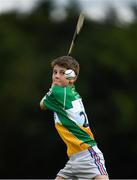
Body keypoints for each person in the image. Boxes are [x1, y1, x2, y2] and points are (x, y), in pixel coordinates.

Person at [40, 56, 109, 179]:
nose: (56, 76)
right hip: (74, 158)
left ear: (72, 77)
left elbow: (42, 104)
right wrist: (62, 79)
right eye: (55, 72)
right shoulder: (71, 90)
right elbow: (65, 84)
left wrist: (52, 88)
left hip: (88, 154)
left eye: (62, 73)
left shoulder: (59, 92)